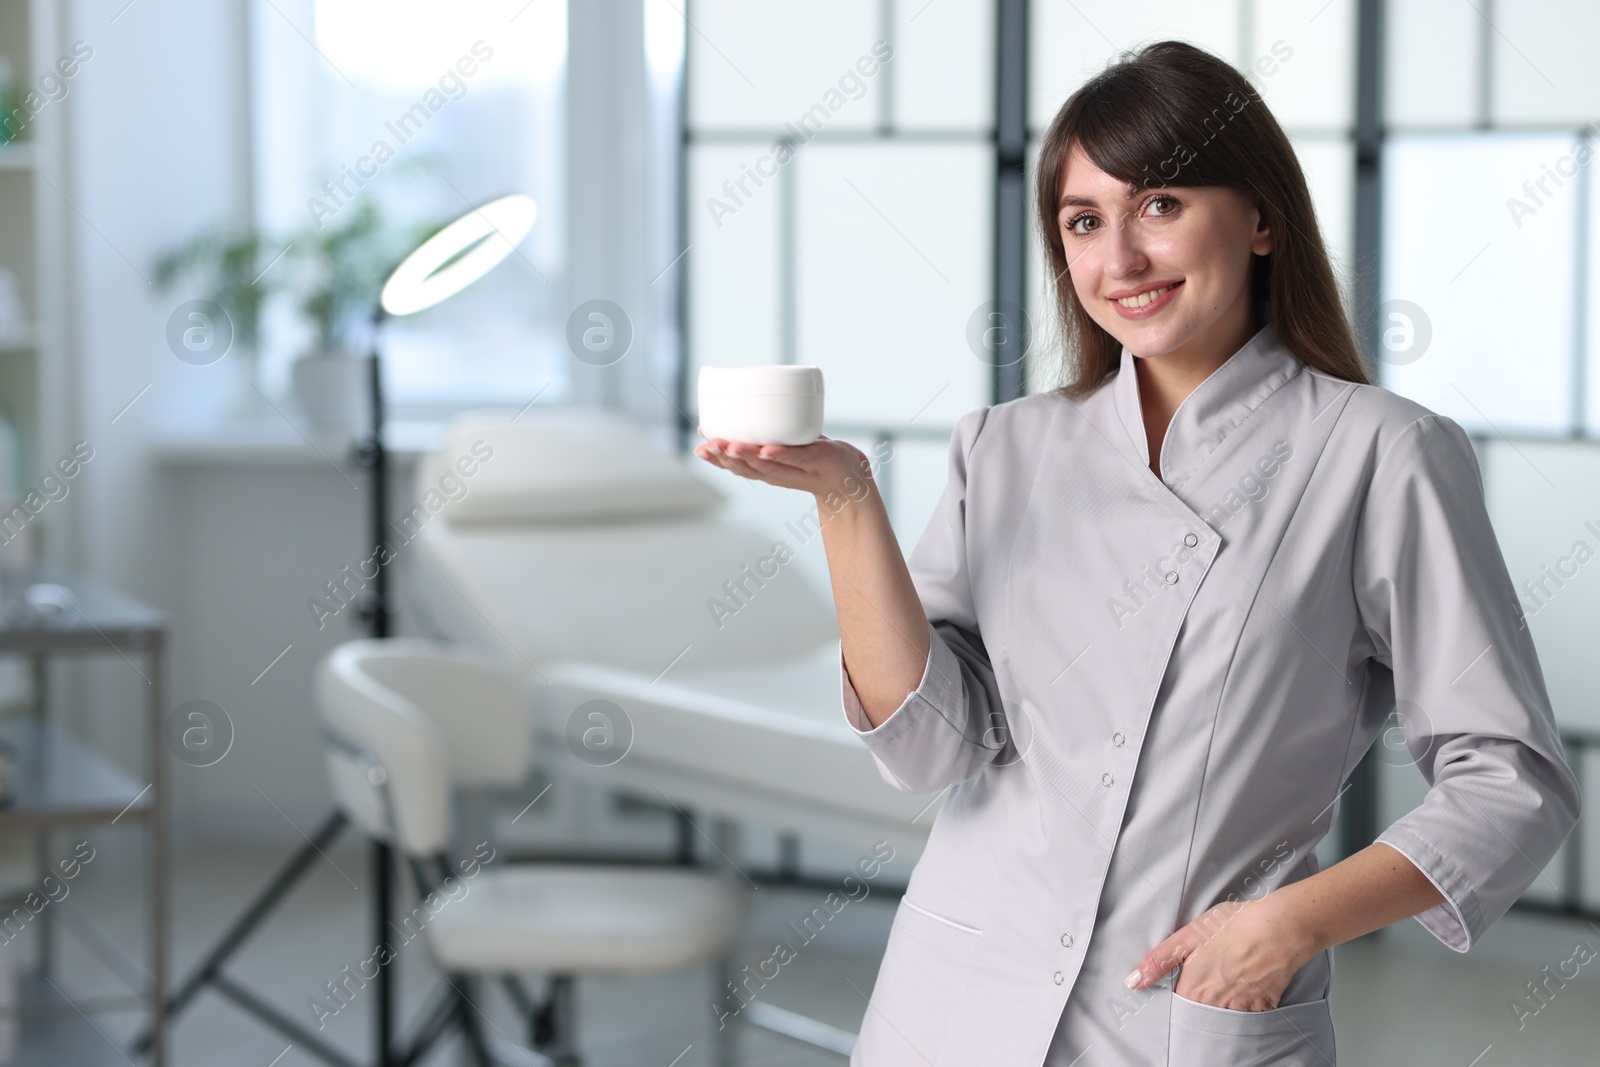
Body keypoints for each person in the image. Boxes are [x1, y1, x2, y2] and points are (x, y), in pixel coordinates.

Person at [694, 40, 1580, 1067]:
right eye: (1083, 221)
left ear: (1260, 218)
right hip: (954, 996)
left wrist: (1289, 922)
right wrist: (846, 502)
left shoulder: (1381, 453)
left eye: (1158, 204)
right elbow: (931, 748)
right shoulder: (1004, 445)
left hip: (1191, 1003)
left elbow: (1510, 777)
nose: (1118, 259)